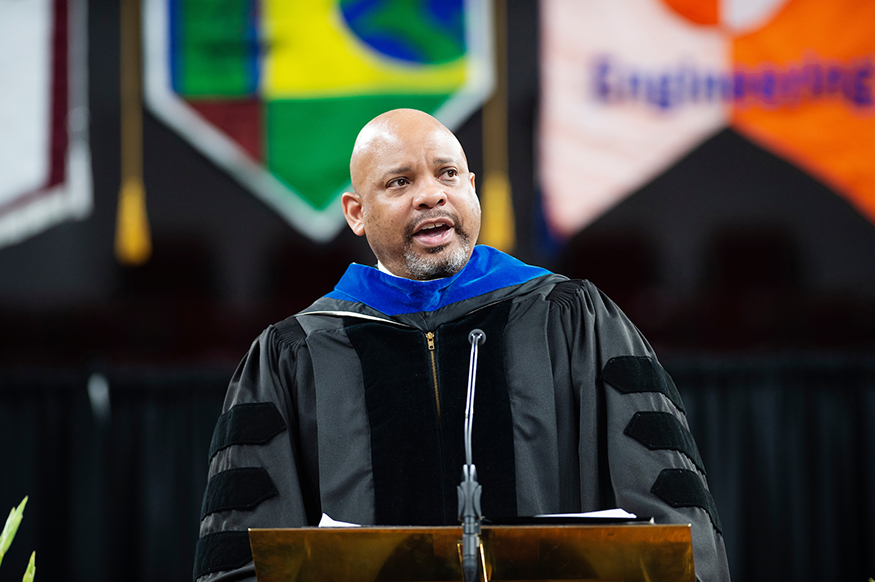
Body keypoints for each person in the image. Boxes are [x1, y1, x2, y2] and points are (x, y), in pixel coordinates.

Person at [194, 109, 730, 581]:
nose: (432, 194)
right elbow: (246, 553)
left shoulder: (570, 319)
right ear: (356, 212)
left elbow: (671, 519)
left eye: (447, 174)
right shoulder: (297, 354)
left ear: (471, 187)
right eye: (400, 182)